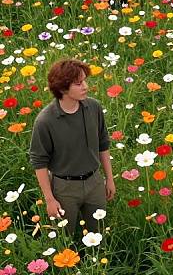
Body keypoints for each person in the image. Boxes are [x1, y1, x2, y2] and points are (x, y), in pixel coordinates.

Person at [29, 59, 115, 235]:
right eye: (78, 83)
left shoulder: (94, 107)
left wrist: (109, 178)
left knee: (98, 236)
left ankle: (99, 262)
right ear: (62, 89)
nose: (85, 86)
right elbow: (39, 162)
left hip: (95, 183)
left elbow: (103, 144)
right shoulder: (45, 121)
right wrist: (50, 199)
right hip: (64, 188)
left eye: (85, 80)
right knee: (64, 237)